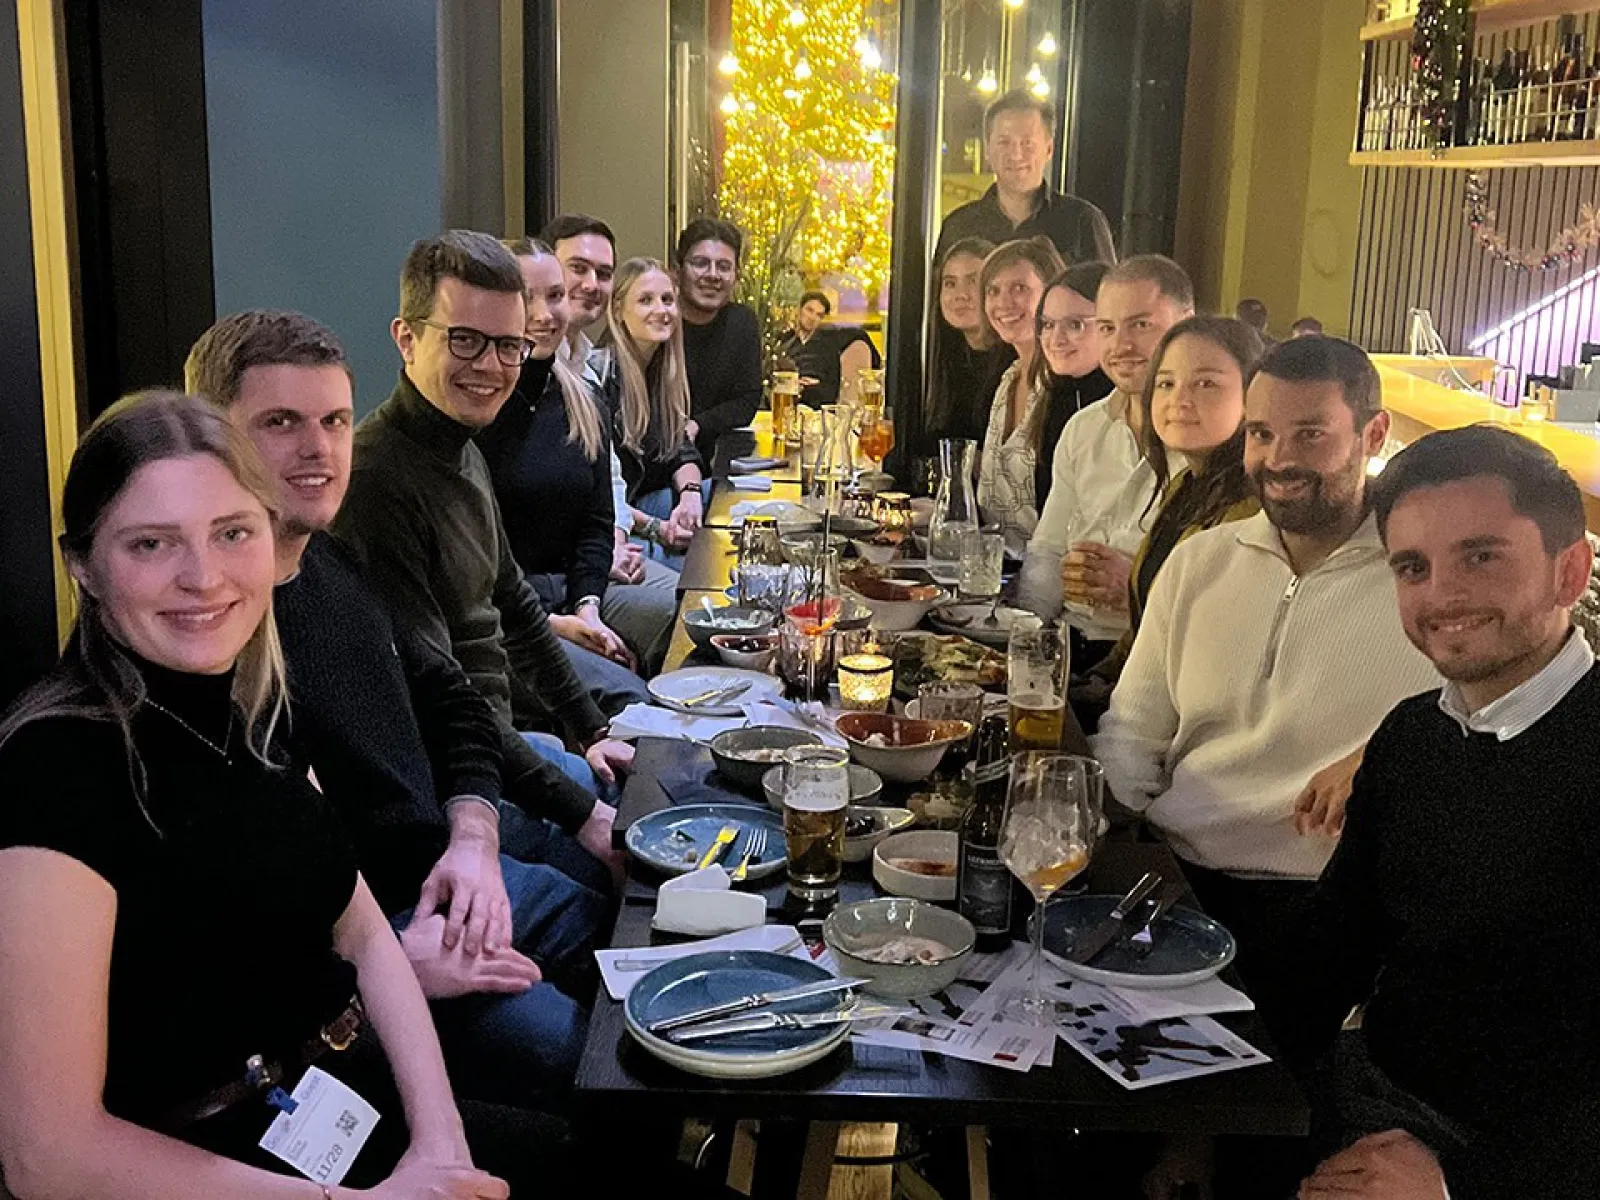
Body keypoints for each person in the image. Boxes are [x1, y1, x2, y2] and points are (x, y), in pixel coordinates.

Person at [0, 391, 506, 1197]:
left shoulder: (253, 702)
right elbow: (47, 1156)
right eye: (150, 543)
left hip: (340, 1101)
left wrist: (440, 1147)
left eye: (231, 532)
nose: (201, 577)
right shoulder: (55, 770)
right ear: (83, 567)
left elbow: (367, 933)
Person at [186, 308, 608, 1107]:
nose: (319, 449)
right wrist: (372, 972)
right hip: (376, 948)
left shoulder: (333, 562)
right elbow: (233, 908)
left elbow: (450, 697)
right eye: (281, 423)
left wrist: (474, 839)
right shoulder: (210, 639)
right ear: (213, 436)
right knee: (579, 1058)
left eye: (336, 420)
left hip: (449, 875)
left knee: (636, 932)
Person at [1280, 426, 1598, 1199]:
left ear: (1571, 571)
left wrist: (1463, 1184)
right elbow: (1333, 951)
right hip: (1375, 1099)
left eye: (1480, 556)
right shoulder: (1414, 734)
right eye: (1413, 567)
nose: (1441, 595)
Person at [1091, 337, 1440, 996]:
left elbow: (1503, 713)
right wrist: (1114, 843)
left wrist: (1384, 750)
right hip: (1175, 879)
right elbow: (1133, 731)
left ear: (1374, 433)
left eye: (1310, 434)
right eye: (1261, 433)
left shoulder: (1420, 581)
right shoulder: (1200, 562)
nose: (1280, 460)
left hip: (1320, 911)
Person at [332, 231, 633, 889]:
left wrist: (590, 728)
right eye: (464, 339)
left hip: (496, 754)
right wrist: (576, 808)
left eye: (508, 345)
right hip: (450, 789)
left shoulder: (462, 446)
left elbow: (518, 610)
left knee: (644, 789)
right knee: (620, 882)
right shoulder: (375, 482)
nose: (493, 366)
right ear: (407, 338)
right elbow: (443, 696)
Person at [483, 238, 673, 678]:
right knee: (628, 689)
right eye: (526, 298)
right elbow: (476, 571)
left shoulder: (582, 396)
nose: (545, 314)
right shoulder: (480, 406)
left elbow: (596, 520)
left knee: (692, 620)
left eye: (554, 296)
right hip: (510, 618)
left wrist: (588, 609)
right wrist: (559, 623)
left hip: (579, 590)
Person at [1073, 316, 1264, 718]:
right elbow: (1143, 635)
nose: (1180, 400)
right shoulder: (1185, 488)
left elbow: (1198, 660)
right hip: (1129, 701)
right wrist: (1086, 683)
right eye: (1166, 383)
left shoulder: (1249, 515)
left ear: (1254, 398)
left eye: (1206, 383)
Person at [1017, 255, 1194, 663]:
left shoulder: (1206, 446)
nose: (1122, 345)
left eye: (1141, 325)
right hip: (1069, 646)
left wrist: (1133, 585)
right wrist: (1021, 643)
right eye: (1109, 328)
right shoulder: (1084, 428)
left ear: (1185, 322)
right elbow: (1046, 552)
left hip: (1154, 658)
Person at [539, 213, 681, 617]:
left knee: (704, 597)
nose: (591, 284)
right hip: (557, 580)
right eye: (578, 269)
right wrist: (616, 546)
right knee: (689, 611)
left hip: (600, 553)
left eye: (603, 273)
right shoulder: (526, 370)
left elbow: (611, 481)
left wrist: (615, 539)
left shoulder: (584, 365)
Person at [933, 89, 1116, 269]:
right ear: (987, 150)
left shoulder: (1082, 222)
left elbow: (1107, 296)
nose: (1016, 154)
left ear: (1049, 149)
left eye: (1027, 143)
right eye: (1004, 142)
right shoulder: (959, 226)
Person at [601, 257, 706, 568]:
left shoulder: (662, 374)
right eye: (646, 300)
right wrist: (658, 529)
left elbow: (681, 449)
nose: (661, 310)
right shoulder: (603, 376)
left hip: (644, 508)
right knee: (695, 569)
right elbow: (602, 494)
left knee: (722, 502)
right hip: (613, 525)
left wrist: (690, 495)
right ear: (618, 311)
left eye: (668, 300)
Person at [973, 237, 1067, 555]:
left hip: (1045, 579)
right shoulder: (1007, 379)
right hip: (990, 568)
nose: (1003, 303)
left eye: (1019, 289)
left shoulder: (1062, 386)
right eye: (993, 291)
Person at [898, 237, 1004, 490]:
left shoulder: (1014, 365)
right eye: (950, 283)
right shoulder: (942, 360)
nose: (960, 295)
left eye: (973, 281)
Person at [675, 217, 763, 462]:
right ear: (678, 269)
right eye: (701, 263)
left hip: (717, 466)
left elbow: (747, 401)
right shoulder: (659, 322)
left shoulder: (742, 322)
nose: (713, 275)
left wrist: (698, 424)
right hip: (657, 472)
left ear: (736, 275)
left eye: (724, 266)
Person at [1028, 261, 1111, 516]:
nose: (1056, 339)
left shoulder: (1122, 404)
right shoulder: (1055, 394)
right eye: (1048, 324)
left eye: (1075, 324)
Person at [779, 290, 881, 409]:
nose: (812, 317)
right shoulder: (784, 340)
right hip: (785, 398)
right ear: (799, 310)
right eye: (809, 310)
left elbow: (830, 393)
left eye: (819, 315)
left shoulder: (829, 344)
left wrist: (809, 386)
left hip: (815, 406)